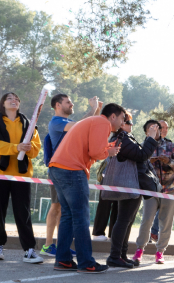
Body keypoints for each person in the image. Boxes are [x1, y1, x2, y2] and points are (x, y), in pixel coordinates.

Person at [48, 103, 125, 273]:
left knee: (68, 215)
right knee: (81, 216)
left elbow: (91, 149)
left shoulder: (93, 121)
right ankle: (86, 262)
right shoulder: (103, 122)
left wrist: (106, 149)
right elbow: (96, 152)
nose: (122, 123)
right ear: (113, 116)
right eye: (122, 118)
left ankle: (63, 260)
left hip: (57, 168)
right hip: (72, 170)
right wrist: (108, 152)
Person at [0, 92, 44, 263]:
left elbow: (35, 148)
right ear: (3, 103)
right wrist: (16, 147)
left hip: (21, 174)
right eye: (9, 98)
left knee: (23, 212)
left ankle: (29, 250)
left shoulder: (29, 124)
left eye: (17, 99)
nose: (14, 100)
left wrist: (28, 148)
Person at [42, 93, 101, 256]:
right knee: (56, 206)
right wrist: (93, 109)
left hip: (69, 169)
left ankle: (63, 245)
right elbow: (79, 126)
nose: (72, 104)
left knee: (64, 209)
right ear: (58, 105)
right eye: (68, 102)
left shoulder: (67, 123)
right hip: (60, 170)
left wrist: (96, 111)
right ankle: (48, 245)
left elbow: (85, 126)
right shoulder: (56, 122)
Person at [106, 115, 159, 268]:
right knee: (123, 220)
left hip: (133, 183)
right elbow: (142, 155)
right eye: (128, 122)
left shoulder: (126, 137)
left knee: (127, 221)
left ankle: (121, 255)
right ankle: (114, 256)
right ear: (121, 124)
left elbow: (140, 154)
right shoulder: (122, 138)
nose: (131, 124)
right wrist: (150, 138)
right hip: (128, 183)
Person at [133, 119, 174, 264]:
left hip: (169, 189)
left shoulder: (170, 145)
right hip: (150, 189)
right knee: (146, 220)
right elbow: (137, 167)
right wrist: (149, 162)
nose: (155, 130)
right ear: (146, 132)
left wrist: (169, 162)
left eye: (157, 128)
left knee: (166, 222)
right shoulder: (142, 146)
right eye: (151, 128)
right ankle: (139, 250)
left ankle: (160, 252)